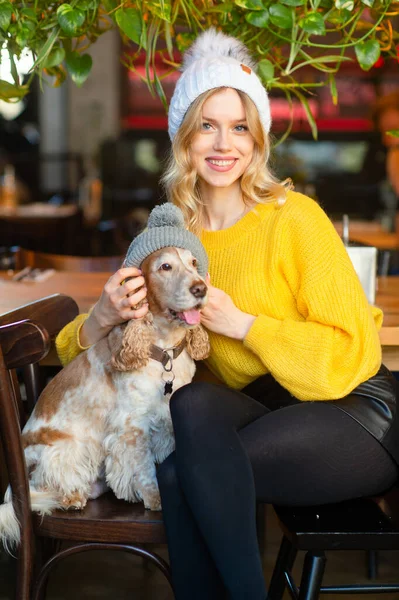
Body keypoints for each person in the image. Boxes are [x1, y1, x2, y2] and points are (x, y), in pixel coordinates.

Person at [55, 29, 399, 600]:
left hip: (355, 417)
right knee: (190, 406)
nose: (224, 143)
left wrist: (243, 325)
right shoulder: (171, 242)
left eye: (240, 126)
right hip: (259, 414)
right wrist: (100, 319)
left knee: (179, 472)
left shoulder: (295, 218)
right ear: (183, 138)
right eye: (207, 125)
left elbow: (352, 356)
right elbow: (77, 351)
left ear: (257, 140)